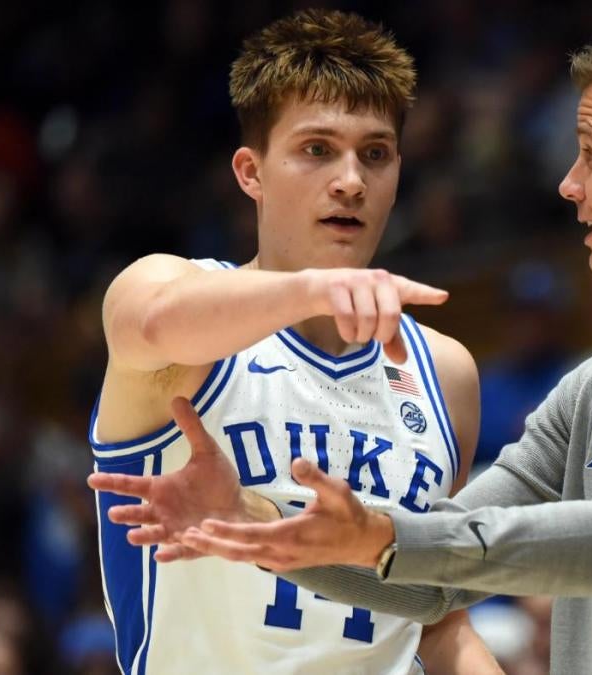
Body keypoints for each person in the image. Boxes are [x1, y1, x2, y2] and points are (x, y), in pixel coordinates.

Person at [92, 30, 592, 673]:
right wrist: (255, 520)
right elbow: (440, 569)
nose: (567, 183)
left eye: (589, 153)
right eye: (317, 150)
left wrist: (373, 537)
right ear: (250, 172)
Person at [84, 10, 498, 675]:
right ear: (250, 172)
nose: (351, 180)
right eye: (316, 149)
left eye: (375, 153)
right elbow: (157, 319)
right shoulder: (168, 293)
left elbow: (437, 618)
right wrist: (315, 287)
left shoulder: (445, 371)